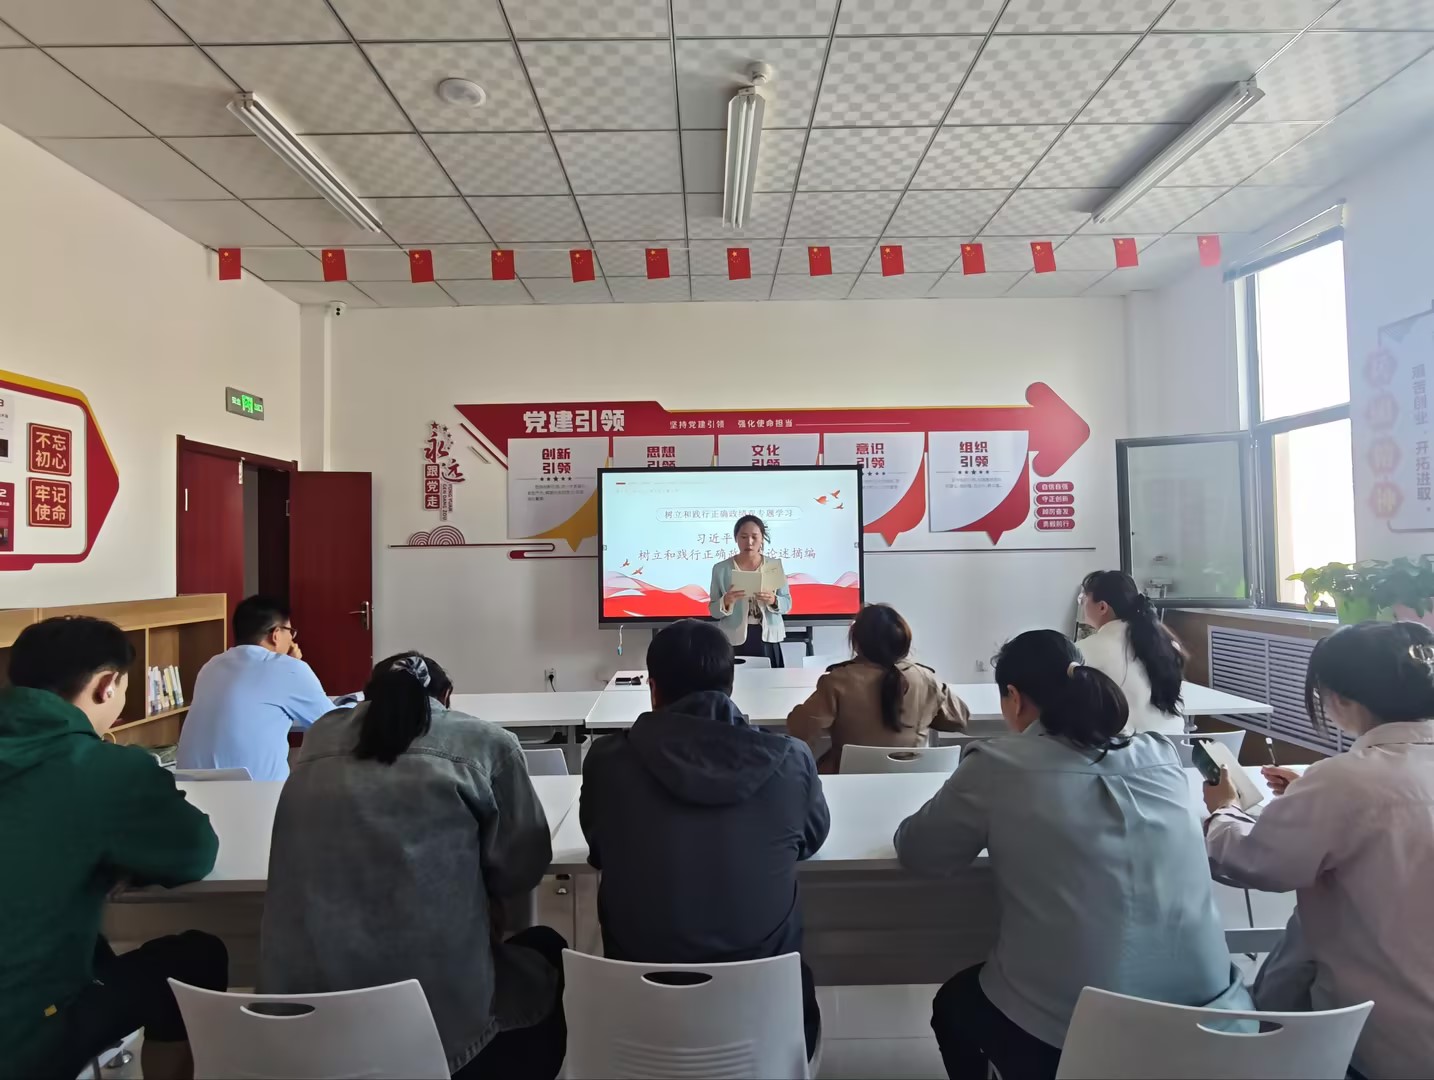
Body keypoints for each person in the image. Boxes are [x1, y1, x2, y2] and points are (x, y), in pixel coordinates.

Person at [895, 629, 1249, 1080]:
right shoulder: (1160, 755)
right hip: (1216, 1026)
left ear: (1014, 698)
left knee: (953, 1006)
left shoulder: (998, 765)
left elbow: (922, 852)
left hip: (1078, 1038)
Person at [259, 651, 565, 1080]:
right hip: (445, 1041)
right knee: (547, 950)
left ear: (367, 696)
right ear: (447, 697)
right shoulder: (486, 744)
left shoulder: (318, 741)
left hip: (308, 1038)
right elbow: (521, 870)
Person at [579, 619, 830, 1059]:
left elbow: (600, 850)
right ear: (730, 686)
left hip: (639, 1024)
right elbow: (810, 840)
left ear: (653, 688)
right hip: (765, 1027)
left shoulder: (606, 760)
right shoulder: (791, 759)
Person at [1204, 620, 1434, 1079]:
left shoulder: (1346, 781)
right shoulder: (1346, 781)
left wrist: (1222, 810)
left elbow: (1254, 863)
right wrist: (1308, 796)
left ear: (1341, 699)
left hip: (1388, 1036)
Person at [0, 616, 226, 1080]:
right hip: (23, 1036)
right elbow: (194, 853)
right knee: (196, 957)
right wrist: (123, 859)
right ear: (108, 685)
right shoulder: (102, 768)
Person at [177, 595, 345, 781]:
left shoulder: (211, 666)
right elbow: (335, 725)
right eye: (290, 631)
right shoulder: (289, 669)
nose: (291, 638)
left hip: (190, 788)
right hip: (254, 793)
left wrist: (289, 665)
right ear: (276, 634)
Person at [787, 603, 971, 772]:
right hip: (912, 782)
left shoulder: (838, 681)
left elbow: (800, 729)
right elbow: (959, 719)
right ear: (903, 641)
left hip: (849, 782)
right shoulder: (925, 678)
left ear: (857, 643)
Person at [1078, 570, 1187, 735]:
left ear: (1102, 607)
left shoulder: (1084, 650)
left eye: (1084, 599)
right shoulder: (1165, 644)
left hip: (1127, 747)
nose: (1082, 605)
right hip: (1173, 744)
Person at [709, 514, 793, 668]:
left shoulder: (774, 566)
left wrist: (773, 600)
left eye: (754, 536)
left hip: (768, 636)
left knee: (770, 679)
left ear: (762, 538)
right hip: (734, 637)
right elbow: (713, 611)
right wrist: (726, 601)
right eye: (743, 537)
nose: (749, 542)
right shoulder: (721, 569)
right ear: (736, 538)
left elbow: (787, 604)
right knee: (737, 680)